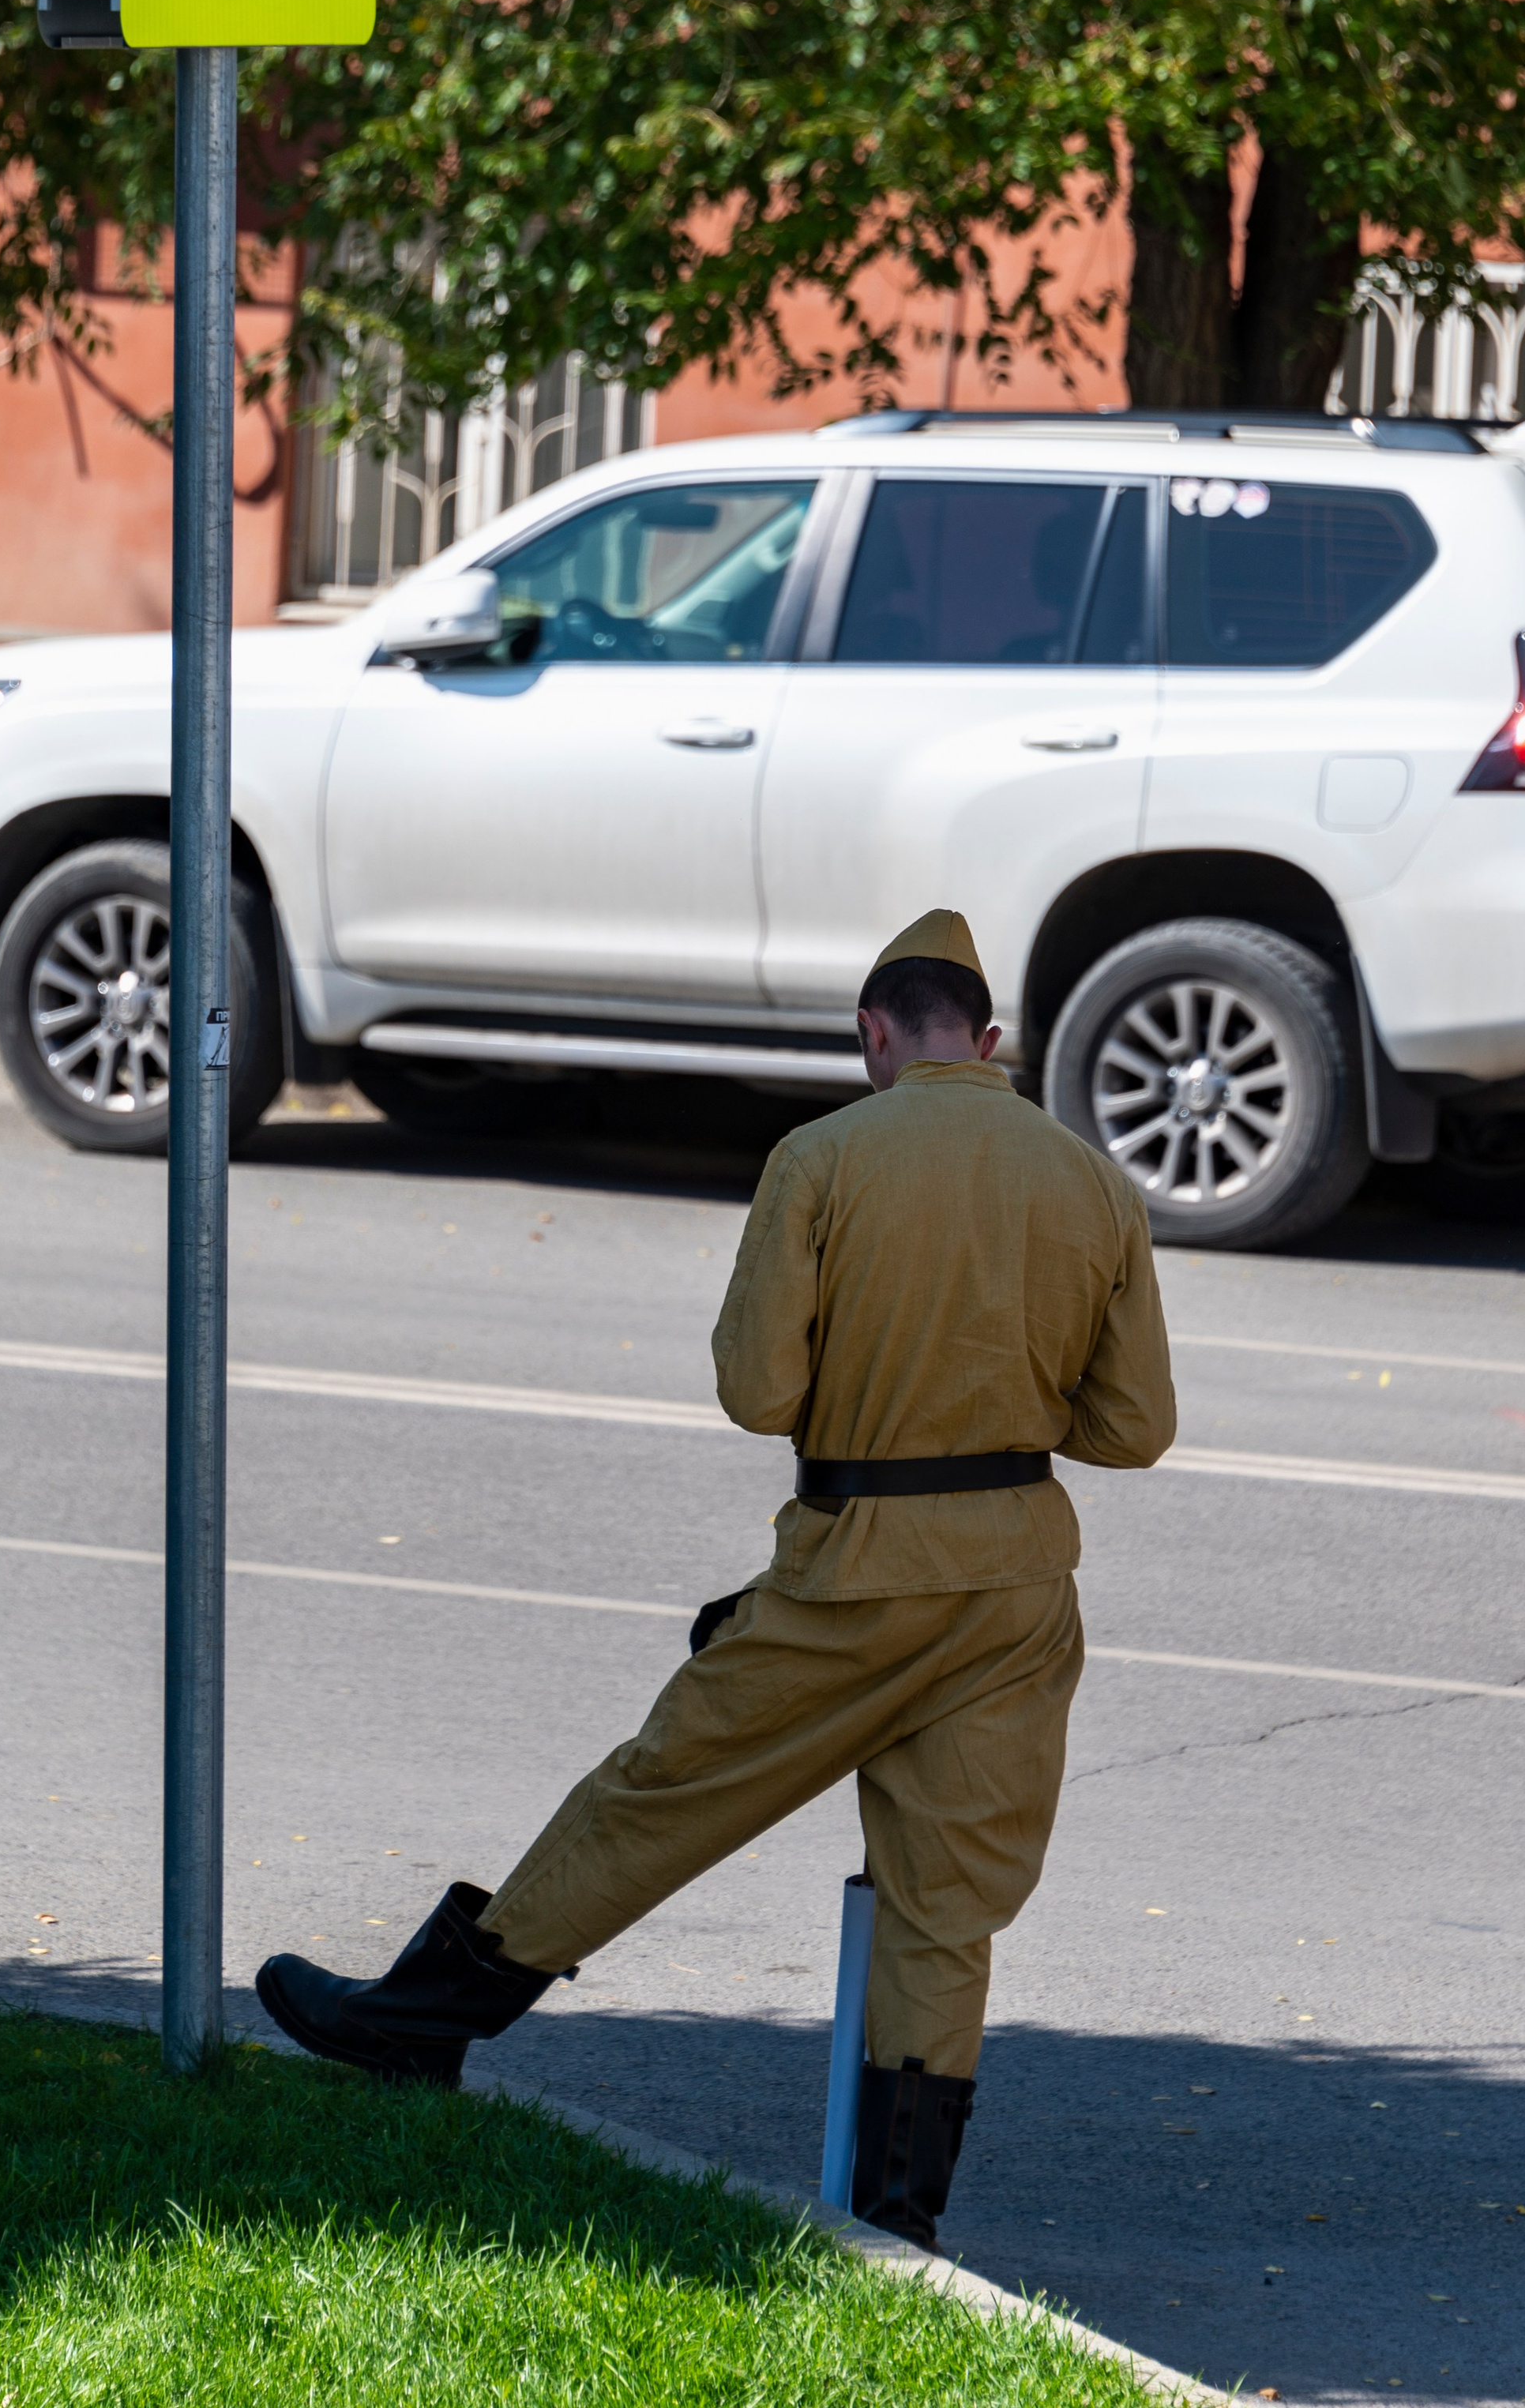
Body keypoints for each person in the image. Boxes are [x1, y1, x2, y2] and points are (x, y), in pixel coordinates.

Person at [257, 908, 1175, 2246]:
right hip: (1020, 1591)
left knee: (659, 1797)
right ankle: (900, 2225)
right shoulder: (1093, 1182)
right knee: (944, 1907)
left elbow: (759, 1394)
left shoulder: (821, 1157)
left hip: (855, 1576)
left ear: (874, 1035)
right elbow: (1132, 1430)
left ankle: (421, 2019)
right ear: (989, 1042)